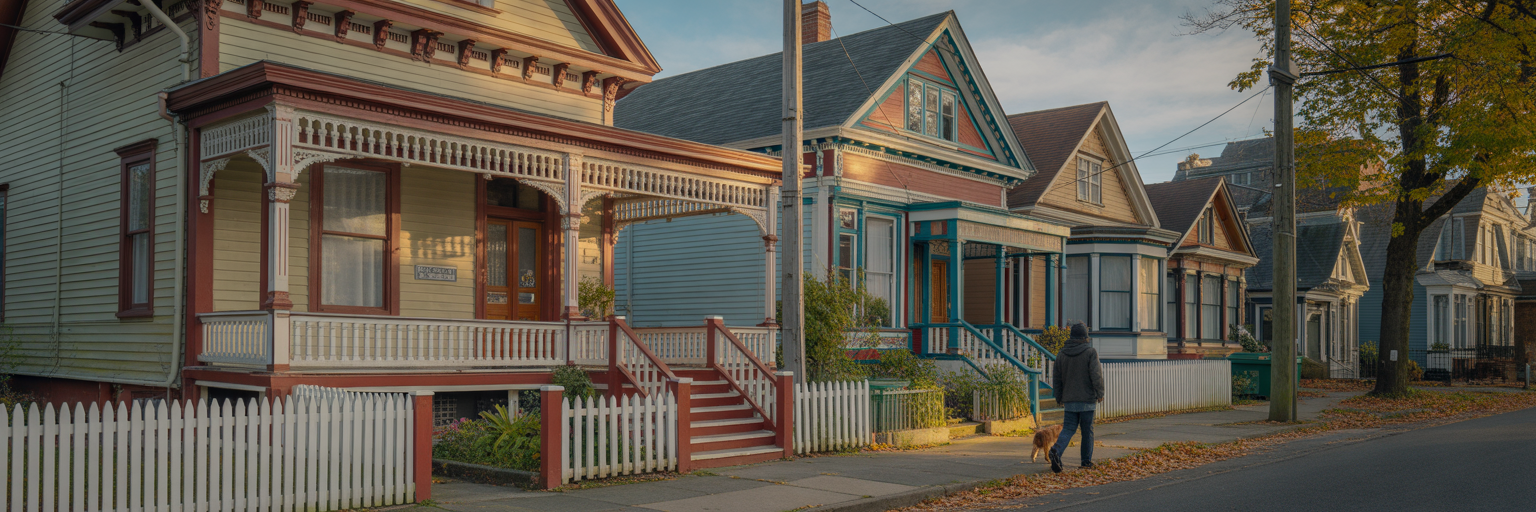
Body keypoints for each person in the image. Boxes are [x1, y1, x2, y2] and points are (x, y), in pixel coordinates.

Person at [1049, 322, 1104, 473]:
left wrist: (1059, 396)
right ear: (1084, 337)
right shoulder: (1090, 352)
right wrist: (1100, 393)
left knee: (1068, 428)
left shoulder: (1062, 354)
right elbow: (1096, 375)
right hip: (1087, 399)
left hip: (1069, 399)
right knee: (1087, 431)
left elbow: (1057, 378)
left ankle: (1056, 451)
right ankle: (1085, 462)